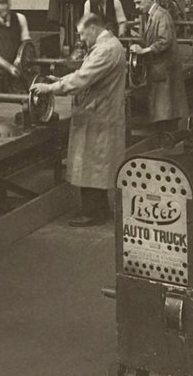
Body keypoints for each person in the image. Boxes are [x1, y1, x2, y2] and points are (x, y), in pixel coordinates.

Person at [32, 14, 128, 228]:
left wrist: (51, 88)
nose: (82, 39)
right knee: (95, 164)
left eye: (83, 33)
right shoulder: (108, 46)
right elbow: (84, 74)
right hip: (99, 113)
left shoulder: (106, 49)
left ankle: (93, 212)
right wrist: (62, 80)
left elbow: (83, 78)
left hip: (99, 115)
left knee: (93, 164)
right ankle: (96, 209)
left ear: (93, 28)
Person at [129, 0, 187, 135]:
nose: (137, 7)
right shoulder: (152, 16)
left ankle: (168, 142)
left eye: (139, 3)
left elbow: (164, 41)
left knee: (167, 110)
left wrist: (144, 51)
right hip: (159, 70)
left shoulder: (161, 15)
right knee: (163, 109)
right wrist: (139, 45)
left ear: (148, 0)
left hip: (165, 70)